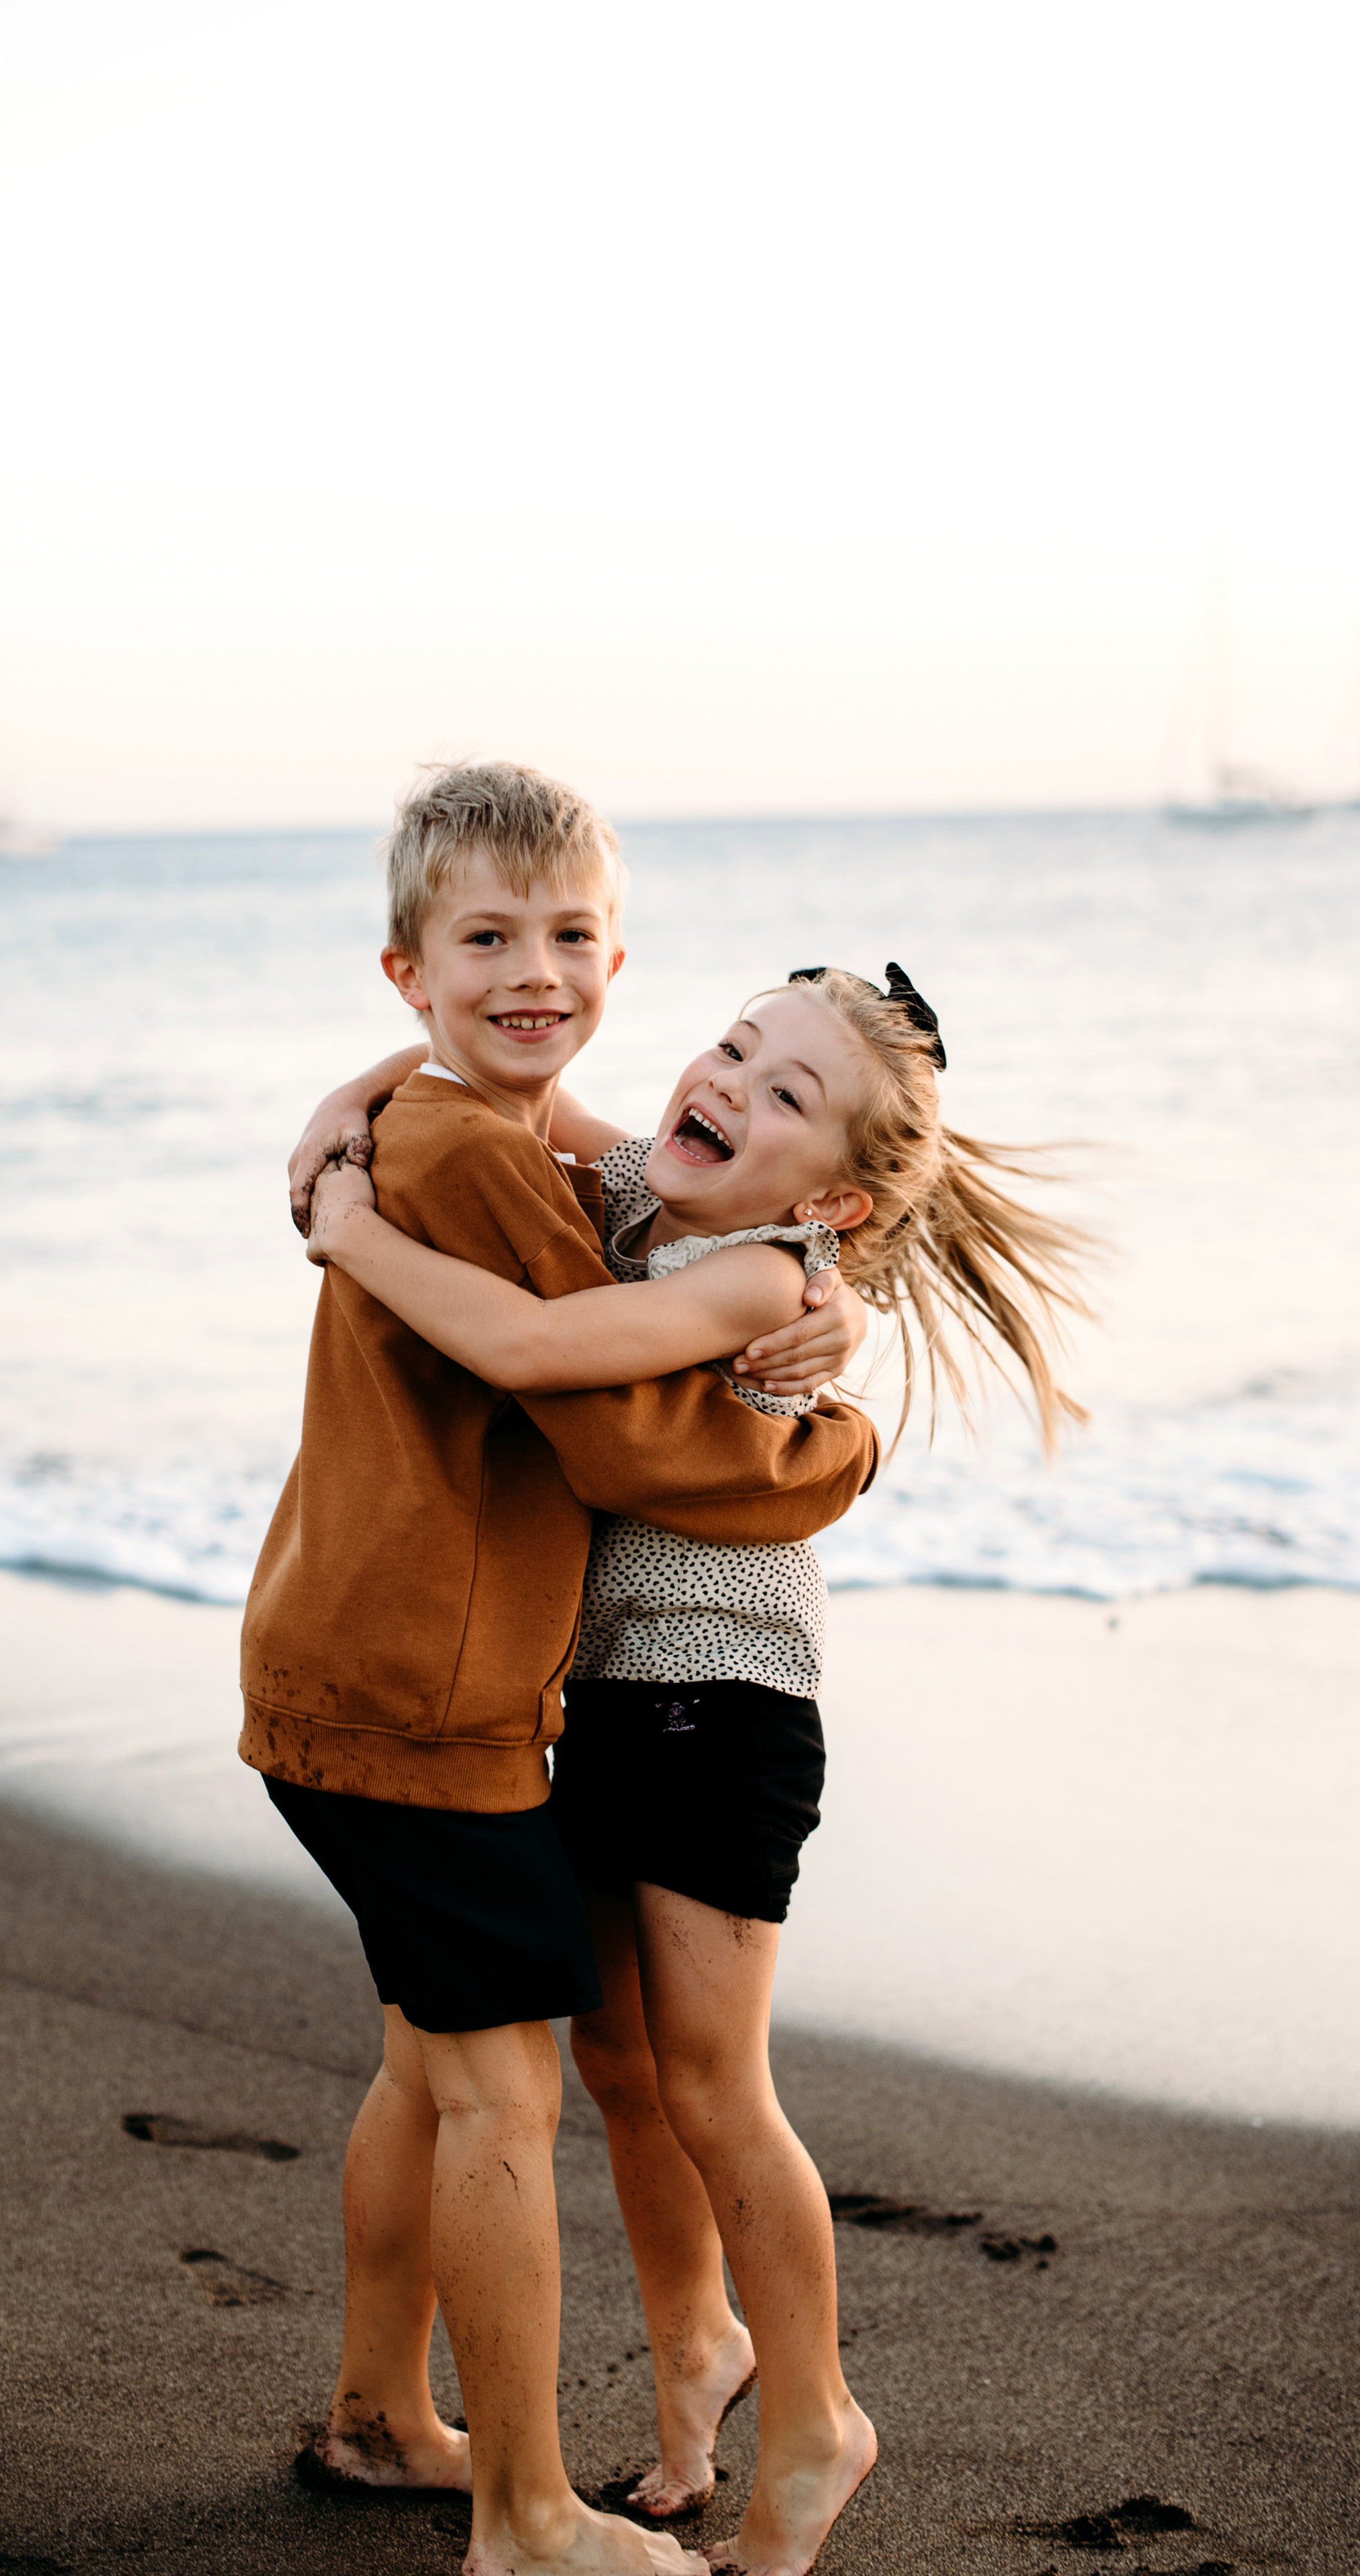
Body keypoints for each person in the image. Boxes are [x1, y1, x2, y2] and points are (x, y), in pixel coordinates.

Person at [299, 960, 1092, 2576]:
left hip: (719, 1709)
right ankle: (695, 2355)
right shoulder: (626, 1191)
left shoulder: (761, 1277)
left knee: (717, 2088)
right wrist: (342, 1105)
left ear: (836, 1202)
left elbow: (533, 1351)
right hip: (591, 1702)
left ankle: (816, 2421)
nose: (728, 1082)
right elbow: (493, 1080)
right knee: (618, 2071)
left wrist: (351, 1232)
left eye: (786, 1092)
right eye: (733, 1046)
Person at [243, 761, 879, 2576]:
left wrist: (368, 1093)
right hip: (434, 1689)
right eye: (489, 941)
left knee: (445, 2069)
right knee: (502, 2091)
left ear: (618, 955)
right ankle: (525, 2512)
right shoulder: (479, 1164)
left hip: (414, 1666)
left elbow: (572, 1177)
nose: (537, 971)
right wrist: (836, 1456)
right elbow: (607, 1428)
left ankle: (390, 2412)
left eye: (573, 936)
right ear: (412, 965)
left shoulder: (486, 1141)